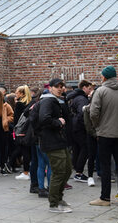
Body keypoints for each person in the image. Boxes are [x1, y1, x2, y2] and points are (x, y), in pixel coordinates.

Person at [88, 66, 118, 206]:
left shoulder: (100, 91)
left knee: (105, 165)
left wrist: (98, 126)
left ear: (105, 77)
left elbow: (93, 113)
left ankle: (105, 198)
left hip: (104, 133)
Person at [34, 78, 73, 213]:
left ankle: (58, 198)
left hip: (60, 140)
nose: (60, 88)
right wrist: (58, 122)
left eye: (62, 86)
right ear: (50, 88)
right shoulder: (48, 100)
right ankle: (54, 203)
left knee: (67, 169)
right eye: (57, 86)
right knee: (59, 172)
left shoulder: (58, 100)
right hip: (51, 141)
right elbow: (44, 119)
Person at [66, 80, 93, 184]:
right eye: (89, 89)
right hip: (79, 127)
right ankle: (79, 172)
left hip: (73, 127)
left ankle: (77, 170)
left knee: (77, 148)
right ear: (84, 88)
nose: (90, 91)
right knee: (85, 148)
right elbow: (83, 114)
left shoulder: (74, 97)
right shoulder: (82, 99)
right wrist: (84, 125)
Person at [11, 85, 33, 180]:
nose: (16, 94)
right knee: (28, 151)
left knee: (24, 152)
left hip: (21, 130)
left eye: (17, 92)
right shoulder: (30, 103)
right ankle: (28, 170)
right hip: (29, 130)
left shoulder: (19, 104)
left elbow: (16, 119)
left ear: (22, 94)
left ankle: (26, 172)